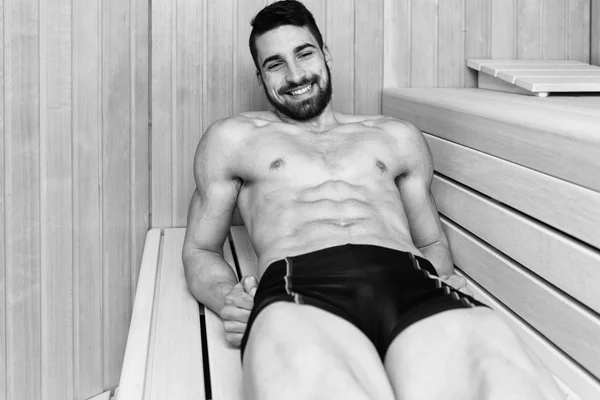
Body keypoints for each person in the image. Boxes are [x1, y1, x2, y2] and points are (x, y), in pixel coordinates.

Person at [182, 1, 564, 399]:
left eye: (304, 53)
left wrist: (439, 274)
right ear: (261, 79)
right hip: (302, 285)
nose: (295, 75)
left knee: (508, 382)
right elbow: (199, 249)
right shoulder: (233, 139)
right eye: (275, 64)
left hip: (411, 280)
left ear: (326, 55)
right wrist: (230, 298)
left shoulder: (395, 136)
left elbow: (432, 242)